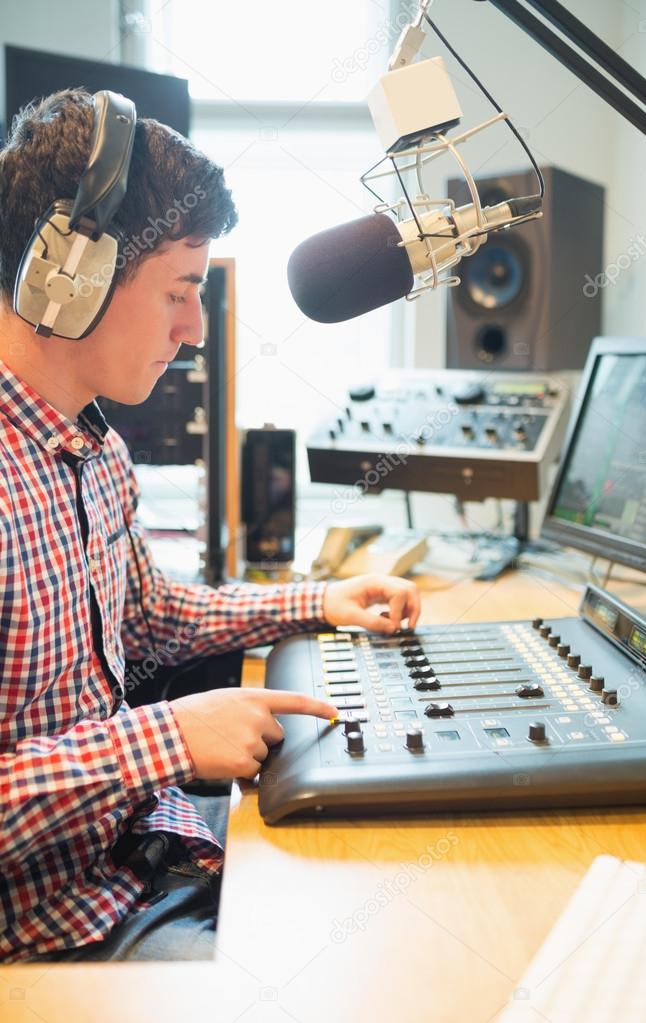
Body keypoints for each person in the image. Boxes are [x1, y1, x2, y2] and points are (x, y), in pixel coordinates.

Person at [0, 89, 421, 963]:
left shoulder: (90, 449)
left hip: (140, 866)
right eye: (180, 292)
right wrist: (168, 737)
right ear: (67, 276)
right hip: (47, 938)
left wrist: (322, 601)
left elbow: (149, 618)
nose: (194, 330)